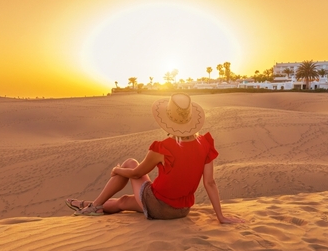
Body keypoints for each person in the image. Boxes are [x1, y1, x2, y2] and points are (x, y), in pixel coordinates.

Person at [65, 93, 244, 224]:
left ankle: (94, 206)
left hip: (157, 204)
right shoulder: (205, 144)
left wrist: (117, 170)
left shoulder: (162, 148)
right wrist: (220, 217)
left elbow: (136, 173)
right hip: (181, 211)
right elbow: (210, 183)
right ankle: (90, 205)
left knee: (129, 163)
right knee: (124, 202)